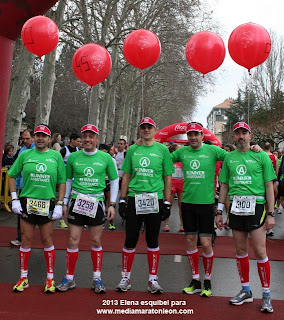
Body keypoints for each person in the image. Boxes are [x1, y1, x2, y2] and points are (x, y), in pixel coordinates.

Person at [216, 122, 276, 313]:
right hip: (235, 207)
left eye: (244, 133)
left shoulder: (261, 156)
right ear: (233, 137)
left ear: (250, 136)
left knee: (260, 252)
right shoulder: (229, 158)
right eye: (238, 133)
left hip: (256, 207)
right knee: (240, 250)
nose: (241, 136)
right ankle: (246, 290)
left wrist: (271, 213)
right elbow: (224, 185)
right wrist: (219, 211)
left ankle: (266, 294)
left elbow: (269, 186)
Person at [56, 124, 119, 294]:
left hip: (96, 202)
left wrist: (112, 204)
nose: (88, 140)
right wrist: (64, 202)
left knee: (96, 241)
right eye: (85, 136)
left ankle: (97, 278)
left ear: (97, 139)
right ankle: (69, 278)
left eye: (91, 136)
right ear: (81, 139)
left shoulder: (106, 159)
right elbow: (68, 180)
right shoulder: (74, 157)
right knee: (72, 240)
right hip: (77, 202)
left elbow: (114, 181)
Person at [116, 117, 174, 294]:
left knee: (152, 239)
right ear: (140, 130)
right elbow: (126, 175)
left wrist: (166, 201)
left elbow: (168, 177)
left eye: (149, 127)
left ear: (155, 129)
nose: (147, 130)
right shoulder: (133, 149)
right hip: (135, 198)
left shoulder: (163, 150)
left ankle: (153, 279)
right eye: (143, 128)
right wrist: (123, 199)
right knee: (130, 239)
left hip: (155, 199)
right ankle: (125, 277)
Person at [171, 122, 227, 297]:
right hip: (187, 203)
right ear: (187, 137)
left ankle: (208, 281)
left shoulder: (213, 151)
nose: (193, 137)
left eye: (196, 134)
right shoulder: (182, 152)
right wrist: (145, 144)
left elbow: (234, 157)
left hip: (205, 204)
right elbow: (162, 156)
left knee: (205, 243)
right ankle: (195, 280)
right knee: (190, 241)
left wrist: (255, 149)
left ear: (202, 136)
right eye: (190, 135)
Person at [8, 124, 66, 293]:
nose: (40, 138)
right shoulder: (25, 154)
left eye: (44, 135)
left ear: (49, 139)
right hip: (27, 202)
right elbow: (11, 175)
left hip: (47, 203)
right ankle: (23, 277)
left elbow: (62, 182)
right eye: (37, 135)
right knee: (26, 239)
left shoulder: (55, 156)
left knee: (47, 240)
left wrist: (60, 204)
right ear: (34, 138)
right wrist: (14, 199)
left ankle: (50, 278)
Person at [10, 129, 35, 247]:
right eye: (23, 139)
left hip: (37, 189)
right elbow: (16, 172)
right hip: (23, 188)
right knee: (22, 215)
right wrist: (16, 189)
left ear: (33, 138)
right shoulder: (22, 152)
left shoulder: (40, 150)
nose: (25, 141)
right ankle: (20, 237)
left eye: (27, 138)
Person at [58, 133, 81, 229]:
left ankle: (78, 217)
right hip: (64, 178)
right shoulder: (64, 150)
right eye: (78, 141)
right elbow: (58, 162)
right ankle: (61, 219)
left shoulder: (78, 151)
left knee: (76, 197)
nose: (79, 143)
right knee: (63, 198)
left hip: (74, 178)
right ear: (72, 140)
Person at [163, 143, 184, 232]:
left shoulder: (183, 160)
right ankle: (166, 223)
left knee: (181, 205)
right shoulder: (170, 159)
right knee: (169, 203)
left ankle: (182, 224)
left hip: (182, 184)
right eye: (178, 149)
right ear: (173, 151)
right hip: (172, 184)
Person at [98, 143, 118, 230]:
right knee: (101, 200)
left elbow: (115, 175)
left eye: (105, 151)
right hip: (100, 182)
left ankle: (110, 220)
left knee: (109, 200)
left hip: (108, 181)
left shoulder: (111, 160)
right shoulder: (97, 158)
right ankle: (100, 220)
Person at [263, 142, 279, 236]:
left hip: (261, 183)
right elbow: (276, 170)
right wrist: (275, 181)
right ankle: (268, 228)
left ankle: (262, 224)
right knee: (269, 204)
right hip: (270, 181)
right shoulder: (274, 157)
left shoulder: (261, 155)